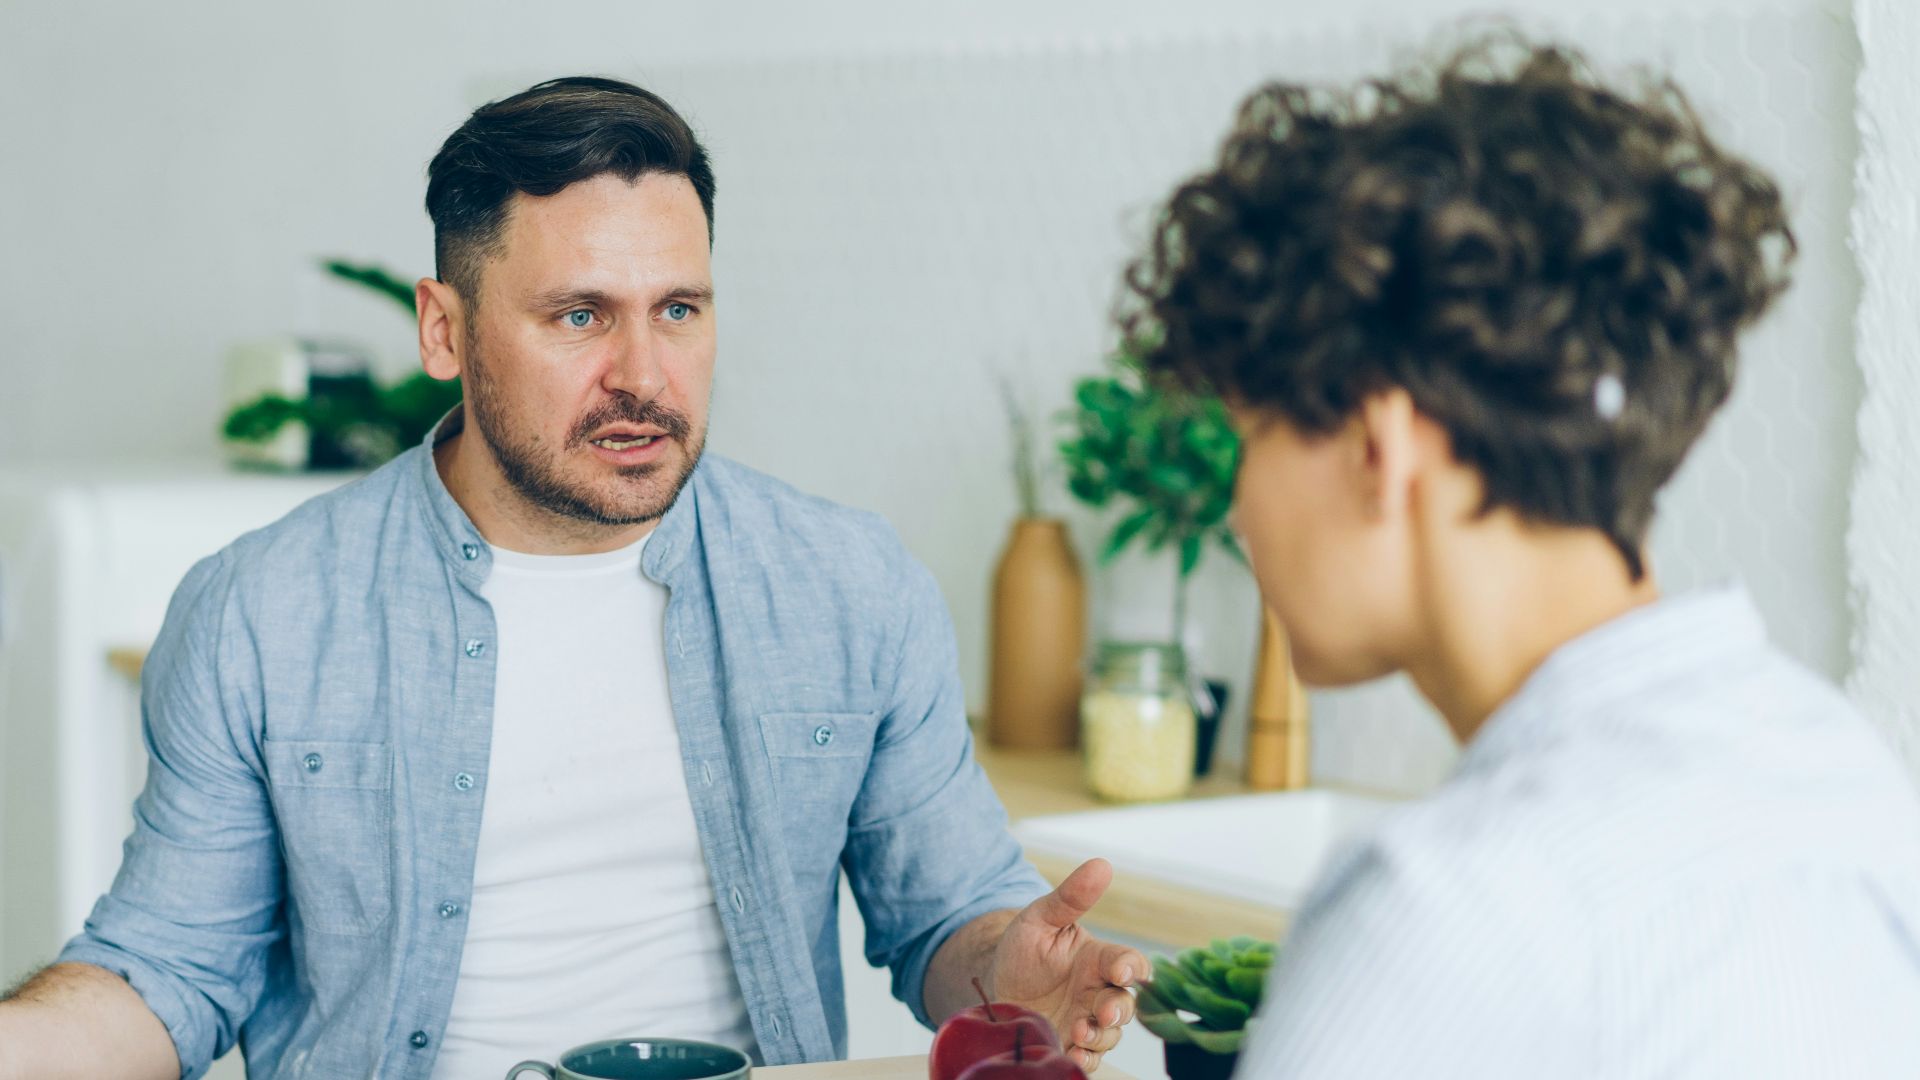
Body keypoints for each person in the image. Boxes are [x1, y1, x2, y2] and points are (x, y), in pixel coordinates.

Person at [0, 77, 1144, 1080]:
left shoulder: (850, 589)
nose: (643, 376)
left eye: (679, 311)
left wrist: (1008, 979)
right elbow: (166, 976)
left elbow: (946, 919)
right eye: (580, 315)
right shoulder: (262, 613)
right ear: (444, 331)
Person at [1122, 34, 1920, 1079]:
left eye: (1249, 432)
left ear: (1380, 444)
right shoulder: (1837, 767)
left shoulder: (1444, 907)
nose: (1236, 510)